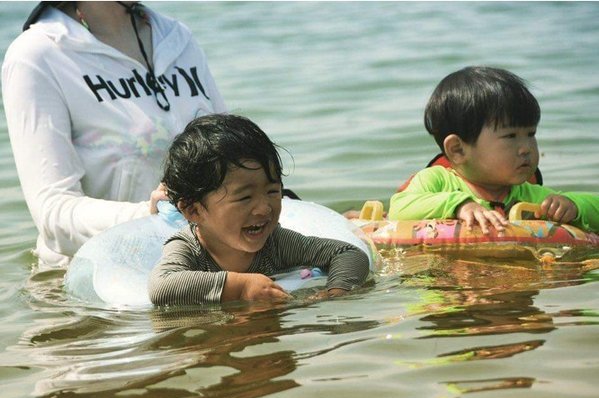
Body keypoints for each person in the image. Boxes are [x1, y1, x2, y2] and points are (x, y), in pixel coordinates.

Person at [2, 2, 226, 268]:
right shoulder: (37, 55)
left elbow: (231, 155)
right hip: (96, 290)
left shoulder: (178, 38)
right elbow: (53, 213)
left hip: (201, 266)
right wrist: (149, 216)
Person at [148, 114, 370, 306]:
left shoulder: (276, 243)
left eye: (273, 192)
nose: (265, 208)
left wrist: (336, 293)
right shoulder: (188, 249)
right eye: (245, 197)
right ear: (194, 211)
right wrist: (240, 287)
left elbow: (347, 254)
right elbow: (162, 286)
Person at [388, 66, 598, 234]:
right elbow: (399, 208)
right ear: (457, 149)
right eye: (510, 136)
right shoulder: (436, 181)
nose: (526, 148)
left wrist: (574, 206)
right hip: (448, 285)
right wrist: (459, 205)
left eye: (531, 134)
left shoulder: (529, 194)